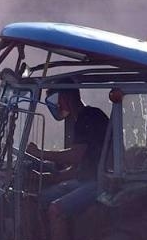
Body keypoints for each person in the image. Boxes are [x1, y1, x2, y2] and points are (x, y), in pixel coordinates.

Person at [27, 87, 108, 229]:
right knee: (38, 199)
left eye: (56, 99)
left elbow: (75, 157)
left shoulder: (88, 116)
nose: (57, 105)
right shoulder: (82, 118)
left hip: (101, 182)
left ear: (66, 97)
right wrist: (46, 177)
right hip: (87, 179)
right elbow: (77, 168)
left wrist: (40, 153)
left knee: (55, 210)